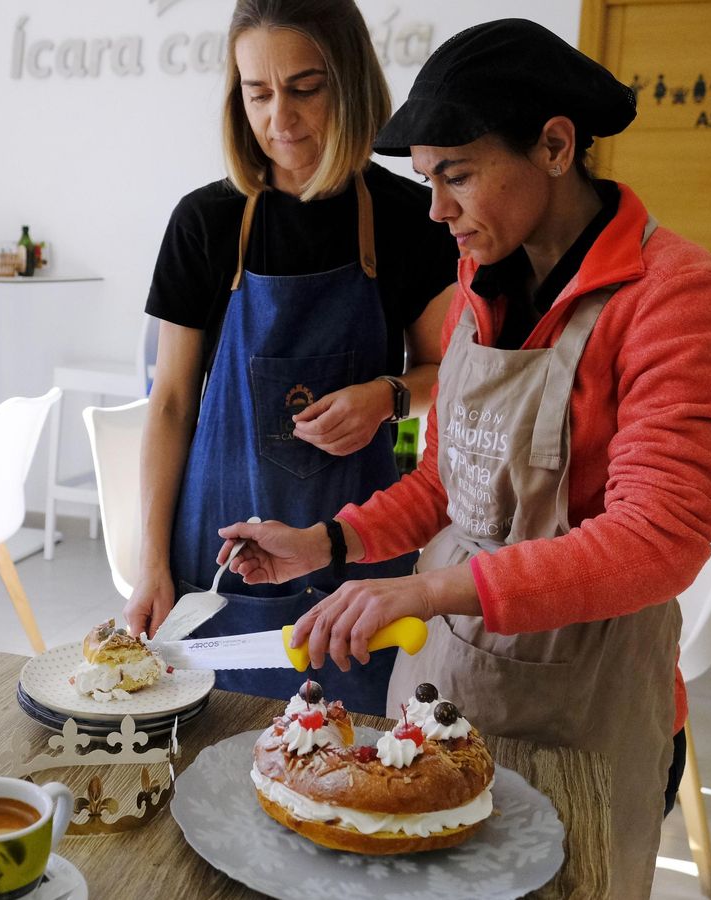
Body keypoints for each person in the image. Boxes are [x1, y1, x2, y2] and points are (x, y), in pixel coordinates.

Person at [215, 19, 711, 897]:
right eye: (427, 181)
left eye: (457, 176)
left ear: (554, 145)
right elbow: (447, 481)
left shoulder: (676, 302)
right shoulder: (480, 285)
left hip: (585, 700)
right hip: (443, 680)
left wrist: (428, 590)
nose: (436, 211)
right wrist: (326, 542)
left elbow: (660, 540)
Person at [123, 0, 458, 715]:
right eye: (258, 93)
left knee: (343, 763)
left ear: (352, 83)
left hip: (353, 561)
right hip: (217, 561)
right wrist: (149, 562)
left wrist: (388, 396)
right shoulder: (205, 222)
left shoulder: (410, 219)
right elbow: (173, 403)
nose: (281, 117)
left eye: (305, 87)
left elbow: (448, 378)